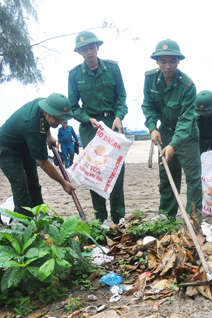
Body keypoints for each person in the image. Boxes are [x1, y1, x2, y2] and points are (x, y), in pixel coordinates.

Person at [68, 31, 128, 223]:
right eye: (84, 49)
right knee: (95, 170)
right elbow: (72, 106)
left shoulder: (112, 69)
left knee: (117, 169)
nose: (89, 51)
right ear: (79, 52)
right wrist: (87, 119)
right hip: (90, 127)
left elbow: (122, 98)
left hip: (112, 123)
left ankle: (118, 216)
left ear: (97, 47)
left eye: (92, 47)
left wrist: (118, 117)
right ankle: (101, 218)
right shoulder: (75, 75)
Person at [141, 39, 202, 218]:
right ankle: (166, 216)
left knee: (193, 179)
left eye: (172, 61)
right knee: (168, 176)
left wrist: (174, 145)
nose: (168, 66)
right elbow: (148, 106)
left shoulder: (187, 86)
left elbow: (185, 120)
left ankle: (194, 218)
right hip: (164, 132)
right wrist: (152, 127)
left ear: (178, 61)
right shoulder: (150, 79)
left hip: (187, 136)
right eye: (163, 61)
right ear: (157, 62)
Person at [0, 93, 75, 217]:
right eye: (57, 119)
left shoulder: (45, 105)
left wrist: (49, 136)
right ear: (46, 112)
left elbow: (44, 122)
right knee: (21, 184)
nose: (59, 122)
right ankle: (25, 222)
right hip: (5, 149)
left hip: (24, 145)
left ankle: (41, 217)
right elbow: (45, 164)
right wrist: (63, 183)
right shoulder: (32, 125)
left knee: (33, 182)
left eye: (62, 119)